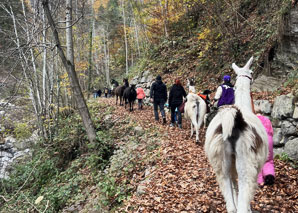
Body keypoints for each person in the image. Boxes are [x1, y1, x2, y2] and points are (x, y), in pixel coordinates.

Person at [257, 113, 275, 186]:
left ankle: (259, 180)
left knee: (257, 160)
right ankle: (269, 176)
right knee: (268, 160)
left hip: (259, 140)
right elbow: (272, 131)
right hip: (269, 140)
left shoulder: (253, 119)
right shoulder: (267, 120)